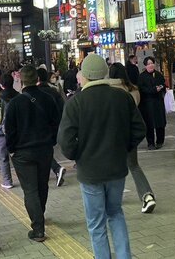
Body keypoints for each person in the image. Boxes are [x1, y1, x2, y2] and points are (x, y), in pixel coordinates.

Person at [58, 54, 146, 259]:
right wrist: (123, 147)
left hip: (90, 171)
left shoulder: (76, 102)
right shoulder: (122, 96)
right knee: (115, 213)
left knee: (96, 223)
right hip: (116, 167)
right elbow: (139, 129)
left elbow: (66, 141)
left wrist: (78, 155)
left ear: (85, 75)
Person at [4, 65, 62, 242]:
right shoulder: (48, 98)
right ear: (37, 78)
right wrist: (51, 141)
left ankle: (38, 228)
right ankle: (40, 216)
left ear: (20, 80)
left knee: (30, 190)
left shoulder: (15, 103)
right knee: (42, 185)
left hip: (23, 153)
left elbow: (10, 130)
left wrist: (12, 149)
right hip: (44, 149)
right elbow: (56, 122)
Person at [108, 63, 156, 214]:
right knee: (134, 166)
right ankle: (147, 195)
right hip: (129, 133)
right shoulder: (133, 90)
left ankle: (113, 196)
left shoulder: (108, 91)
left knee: (112, 166)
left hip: (112, 134)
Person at [36, 66, 67, 187]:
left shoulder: (35, 92)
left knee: (42, 151)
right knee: (45, 150)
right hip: (54, 127)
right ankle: (55, 169)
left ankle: (56, 168)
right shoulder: (54, 91)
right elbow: (62, 108)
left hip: (39, 128)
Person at [0, 72, 19, 189]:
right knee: (18, 156)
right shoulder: (19, 96)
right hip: (17, 131)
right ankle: (24, 177)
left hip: (1, 133)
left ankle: (7, 181)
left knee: (3, 157)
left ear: (1, 85)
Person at [137, 57, 167, 149]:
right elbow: (141, 89)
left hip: (158, 102)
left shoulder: (158, 74)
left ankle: (160, 141)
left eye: (152, 63)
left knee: (160, 123)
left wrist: (161, 87)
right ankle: (150, 143)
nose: (151, 65)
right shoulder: (142, 76)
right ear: (145, 65)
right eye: (148, 64)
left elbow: (164, 84)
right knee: (149, 124)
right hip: (147, 104)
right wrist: (154, 90)